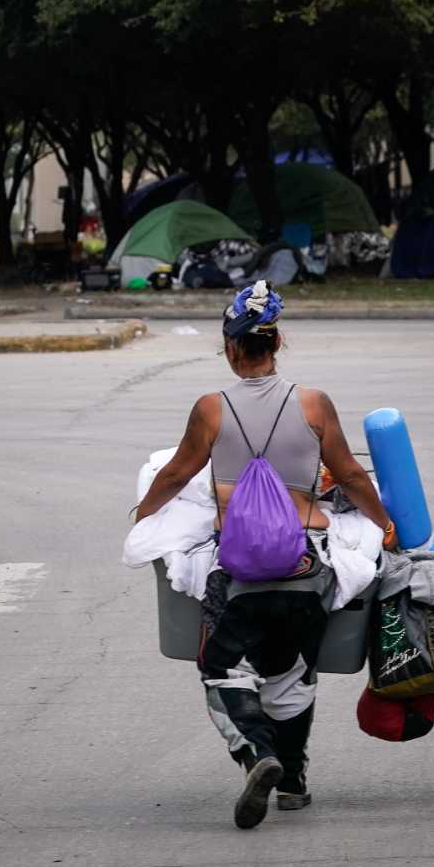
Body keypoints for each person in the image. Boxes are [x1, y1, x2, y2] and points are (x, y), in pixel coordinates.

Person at [132, 281, 398, 828]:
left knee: (220, 667)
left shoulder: (211, 408)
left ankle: (258, 754)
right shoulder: (313, 403)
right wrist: (384, 521)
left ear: (231, 348)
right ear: (277, 344)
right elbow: (348, 473)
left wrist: (143, 514)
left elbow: (178, 473)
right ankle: (294, 783)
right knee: (292, 671)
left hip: (241, 570)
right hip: (304, 560)